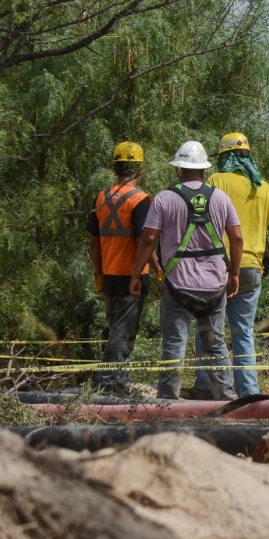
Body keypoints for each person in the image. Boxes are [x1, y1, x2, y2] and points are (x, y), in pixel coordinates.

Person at [184, 132, 269, 399]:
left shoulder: (215, 181)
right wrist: (267, 260)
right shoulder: (264, 188)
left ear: (224, 158)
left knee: (208, 329)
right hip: (252, 269)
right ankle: (249, 394)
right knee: (243, 333)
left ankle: (205, 386)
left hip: (218, 268)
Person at [129, 141, 243, 400]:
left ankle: (167, 403)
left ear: (178, 169)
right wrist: (234, 273)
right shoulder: (221, 198)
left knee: (174, 345)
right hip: (214, 286)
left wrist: (137, 274)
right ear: (204, 170)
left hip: (178, 286)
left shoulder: (164, 199)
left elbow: (147, 240)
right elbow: (237, 238)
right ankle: (225, 400)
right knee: (215, 347)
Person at [87, 141, 159, 394]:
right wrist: (156, 268)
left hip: (109, 274)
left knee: (122, 332)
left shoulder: (100, 198)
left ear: (115, 169)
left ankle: (119, 387)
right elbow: (144, 241)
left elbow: (94, 244)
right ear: (139, 168)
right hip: (132, 276)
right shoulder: (140, 199)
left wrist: (98, 275)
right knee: (121, 333)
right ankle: (104, 382)